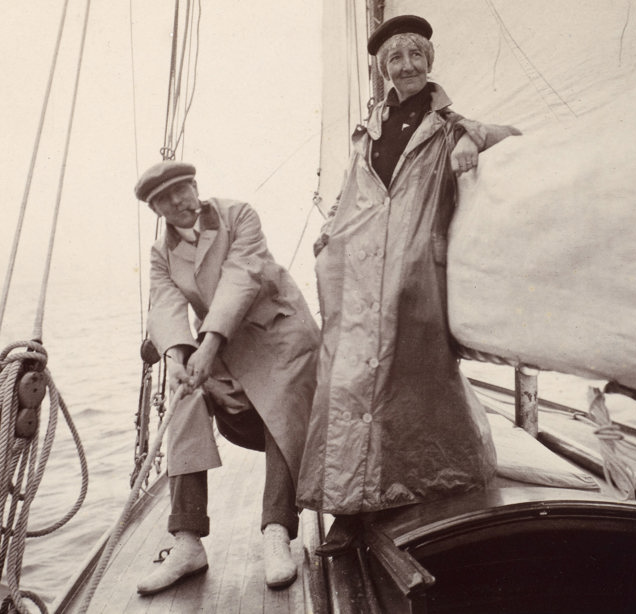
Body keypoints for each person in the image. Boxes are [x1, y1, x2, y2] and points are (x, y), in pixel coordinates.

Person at [296, 15, 521, 554]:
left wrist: (470, 135)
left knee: (415, 383)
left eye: (415, 55)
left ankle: (426, 491)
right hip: (359, 273)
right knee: (346, 388)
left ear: (429, 61)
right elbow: (352, 196)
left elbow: (511, 135)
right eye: (396, 58)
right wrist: (328, 236)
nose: (407, 66)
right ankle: (348, 509)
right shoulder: (366, 130)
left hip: (415, 273)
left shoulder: (447, 126)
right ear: (383, 69)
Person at [134, 160, 319, 594]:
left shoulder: (240, 216)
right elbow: (163, 304)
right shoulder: (162, 254)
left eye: (183, 190)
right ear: (156, 209)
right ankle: (186, 540)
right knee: (184, 398)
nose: (178, 201)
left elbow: (242, 279)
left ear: (196, 186)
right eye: (165, 199)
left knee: (282, 400)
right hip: (224, 348)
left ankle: (277, 532)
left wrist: (209, 346)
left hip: (281, 338)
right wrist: (177, 358)